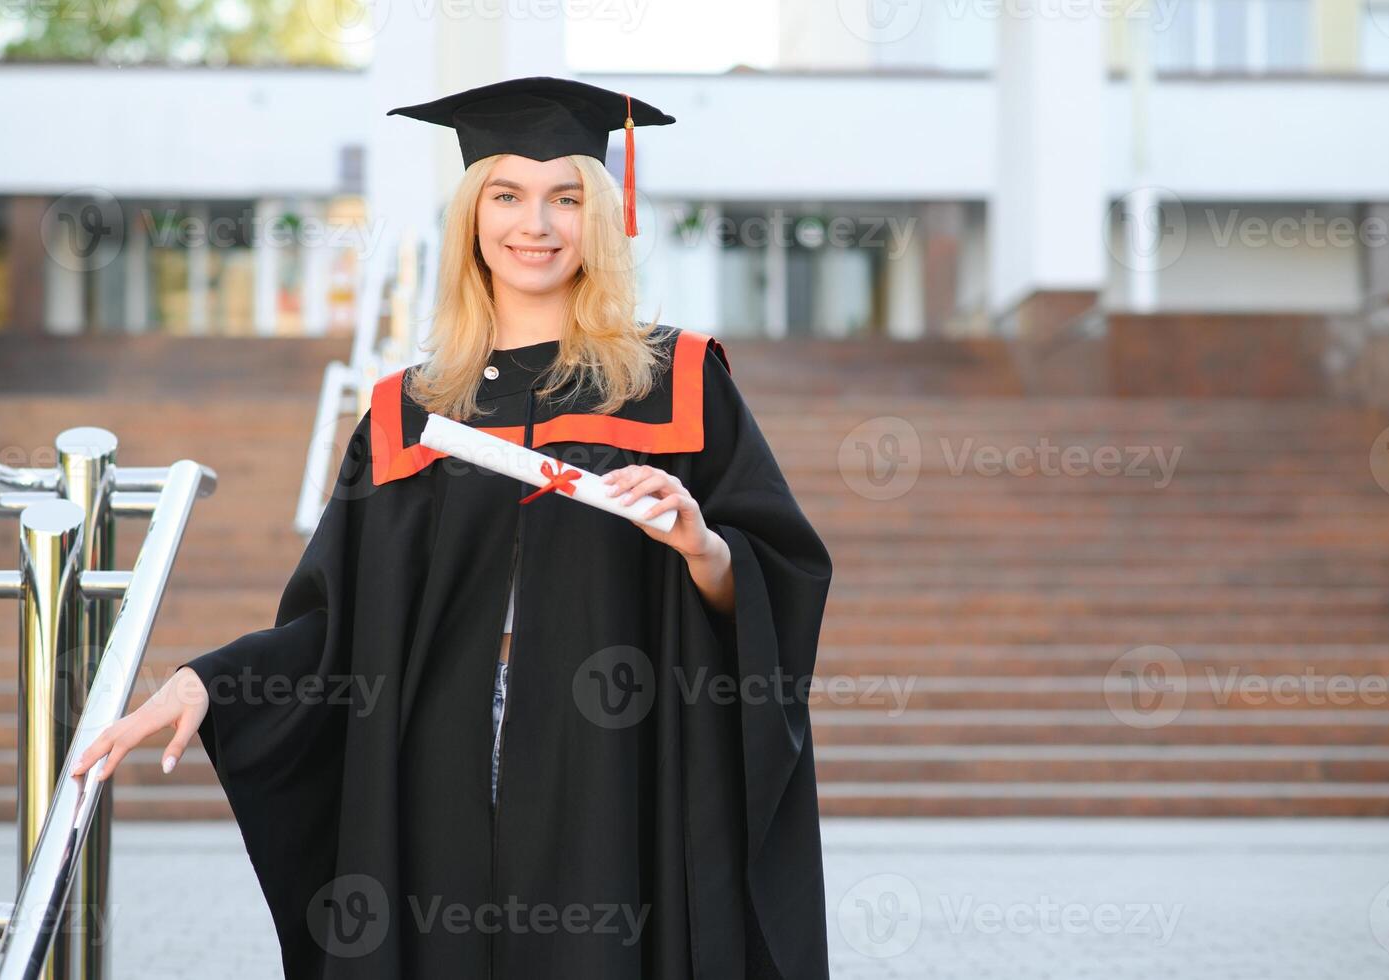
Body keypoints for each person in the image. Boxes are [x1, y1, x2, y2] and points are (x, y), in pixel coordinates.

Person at [72, 76, 833, 979]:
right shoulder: (412, 411)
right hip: (439, 756)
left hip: (615, 762)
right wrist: (208, 685)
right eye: (506, 195)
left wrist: (700, 546)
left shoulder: (677, 381)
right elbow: (338, 622)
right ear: (472, 214)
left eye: (566, 197)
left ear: (602, 215)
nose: (536, 224)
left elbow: (778, 571)